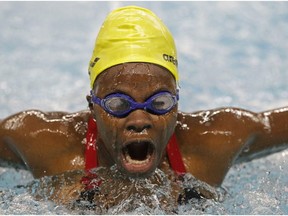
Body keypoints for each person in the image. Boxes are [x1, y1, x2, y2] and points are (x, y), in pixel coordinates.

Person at [0, 5, 288, 206]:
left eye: (159, 102)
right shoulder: (45, 143)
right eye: (118, 103)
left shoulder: (213, 142)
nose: (139, 118)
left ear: (177, 104)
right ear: (92, 106)